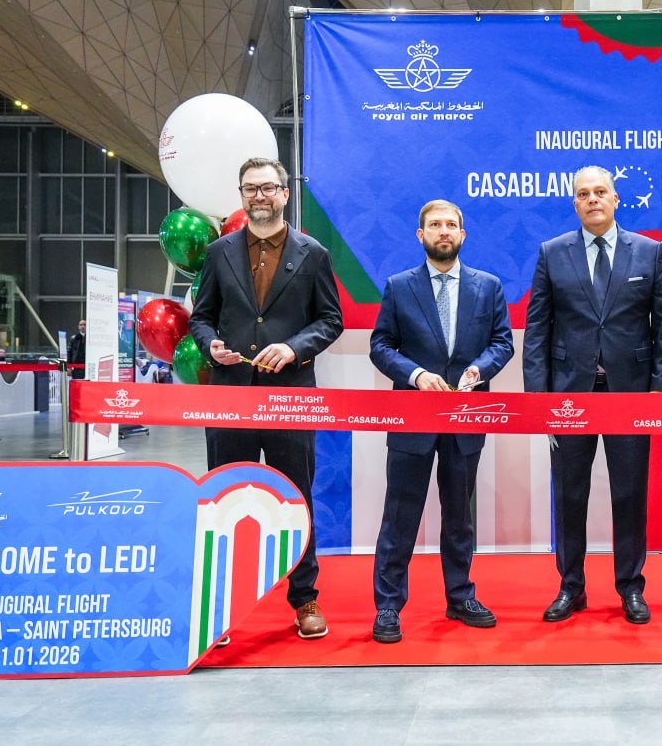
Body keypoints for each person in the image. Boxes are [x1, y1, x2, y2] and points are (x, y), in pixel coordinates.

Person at [189, 156, 343, 640]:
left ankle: (305, 598)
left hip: (289, 398)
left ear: (284, 194)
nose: (259, 196)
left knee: (296, 498)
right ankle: (220, 605)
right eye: (251, 188)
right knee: (224, 499)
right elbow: (201, 317)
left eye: (268, 187)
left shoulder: (313, 253)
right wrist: (209, 345)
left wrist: (294, 347)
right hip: (230, 397)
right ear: (242, 196)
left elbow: (331, 319)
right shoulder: (218, 253)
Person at [523, 165, 662, 625]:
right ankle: (570, 587)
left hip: (630, 396)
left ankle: (630, 586)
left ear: (615, 199)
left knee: (629, 493)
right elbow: (537, 328)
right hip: (567, 396)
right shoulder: (552, 253)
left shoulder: (649, 252)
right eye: (583, 194)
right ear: (574, 203)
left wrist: (660, 389)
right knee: (569, 494)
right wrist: (539, 399)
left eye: (600, 192)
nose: (592, 199)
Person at [368, 200, 514, 643]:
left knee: (459, 516)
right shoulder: (399, 287)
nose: (444, 231)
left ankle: (460, 595)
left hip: (466, 417)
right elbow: (381, 345)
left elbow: (502, 342)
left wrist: (479, 370)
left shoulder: (488, 287)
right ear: (421, 235)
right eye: (435, 225)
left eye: (451, 224)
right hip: (413, 417)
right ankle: (388, 605)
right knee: (400, 515)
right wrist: (414, 375)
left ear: (463, 235)